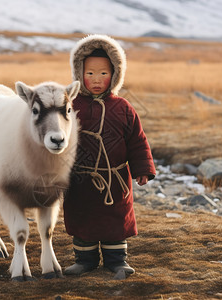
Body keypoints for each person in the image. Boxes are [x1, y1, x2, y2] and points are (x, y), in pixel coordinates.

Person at [63, 34, 156, 277]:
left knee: (115, 221)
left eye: (104, 73)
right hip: (79, 178)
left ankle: (117, 261)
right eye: (90, 73)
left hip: (115, 179)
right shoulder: (71, 105)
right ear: (78, 73)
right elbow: (58, 137)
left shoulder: (123, 107)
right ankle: (85, 260)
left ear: (115, 74)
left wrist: (143, 169)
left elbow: (137, 140)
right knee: (82, 220)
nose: (96, 80)